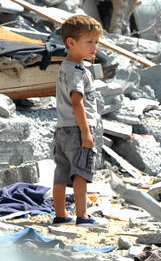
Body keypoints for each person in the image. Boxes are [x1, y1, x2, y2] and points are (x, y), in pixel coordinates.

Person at [52, 13, 104, 226]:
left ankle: (61, 214)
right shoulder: (77, 72)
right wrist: (86, 132)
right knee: (81, 173)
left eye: (97, 42)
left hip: (62, 129)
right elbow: (77, 103)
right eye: (89, 42)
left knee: (61, 173)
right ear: (71, 43)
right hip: (77, 129)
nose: (94, 47)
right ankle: (83, 216)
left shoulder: (64, 67)